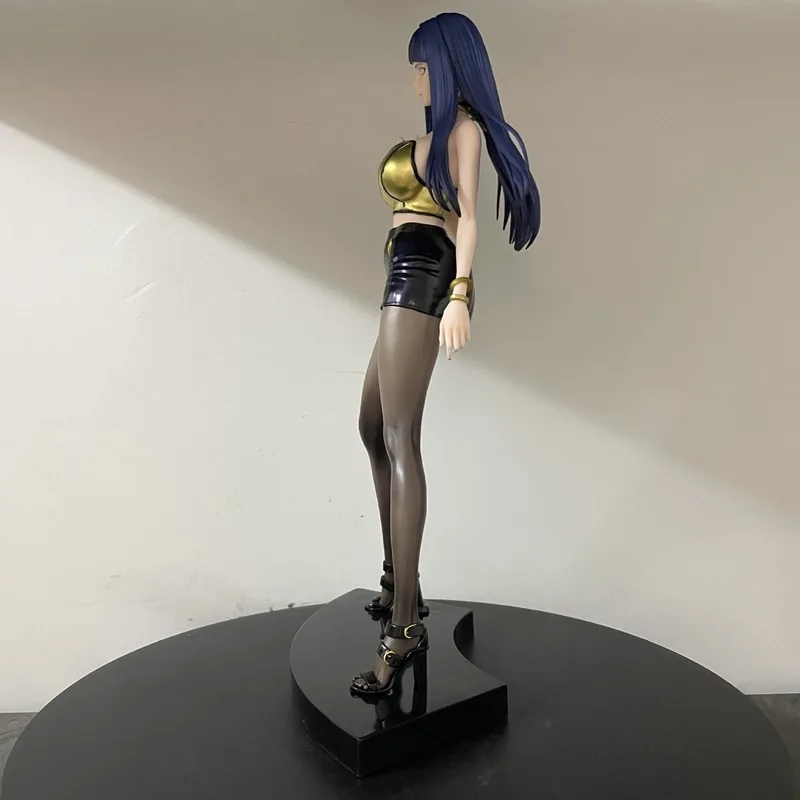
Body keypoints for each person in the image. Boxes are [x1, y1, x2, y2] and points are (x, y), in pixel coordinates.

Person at [351, 11, 541, 697]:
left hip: (425, 273)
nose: (415, 79)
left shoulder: (462, 130)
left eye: (423, 67)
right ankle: (398, 580)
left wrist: (460, 292)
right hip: (400, 270)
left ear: (448, 66)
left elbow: (467, 216)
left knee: (400, 436)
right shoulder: (434, 134)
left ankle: (403, 627)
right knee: (373, 427)